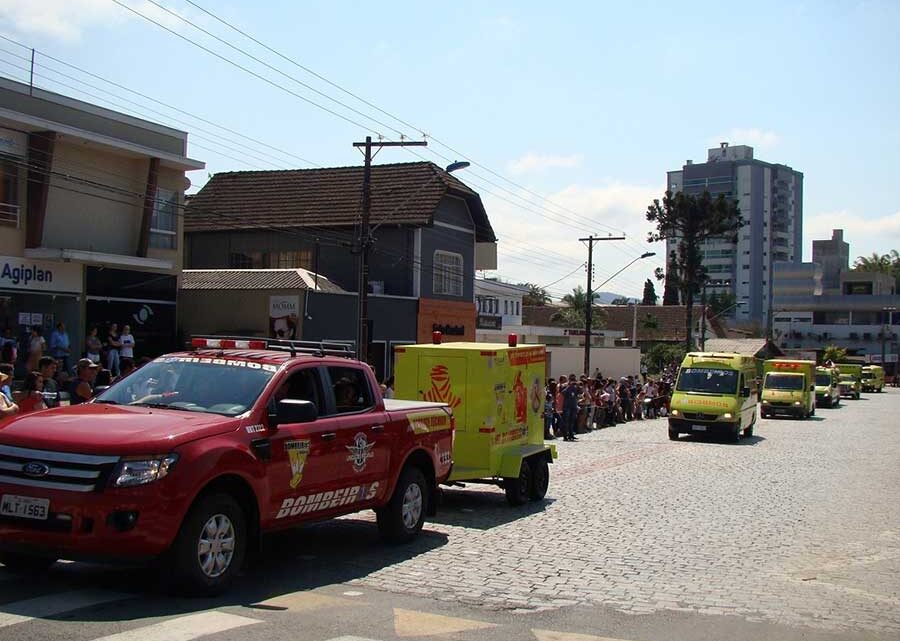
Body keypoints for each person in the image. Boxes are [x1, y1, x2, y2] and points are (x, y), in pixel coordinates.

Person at [560, 374, 580, 441]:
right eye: (572, 379)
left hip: (573, 405)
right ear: (569, 379)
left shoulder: (575, 386)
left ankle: (571, 435)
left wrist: (578, 387)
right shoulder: (564, 385)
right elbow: (562, 393)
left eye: (574, 379)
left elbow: (578, 394)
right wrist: (569, 386)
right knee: (566, 421)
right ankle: (565, 436)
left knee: (572, 421)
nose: (573, 381)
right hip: (567, 406)